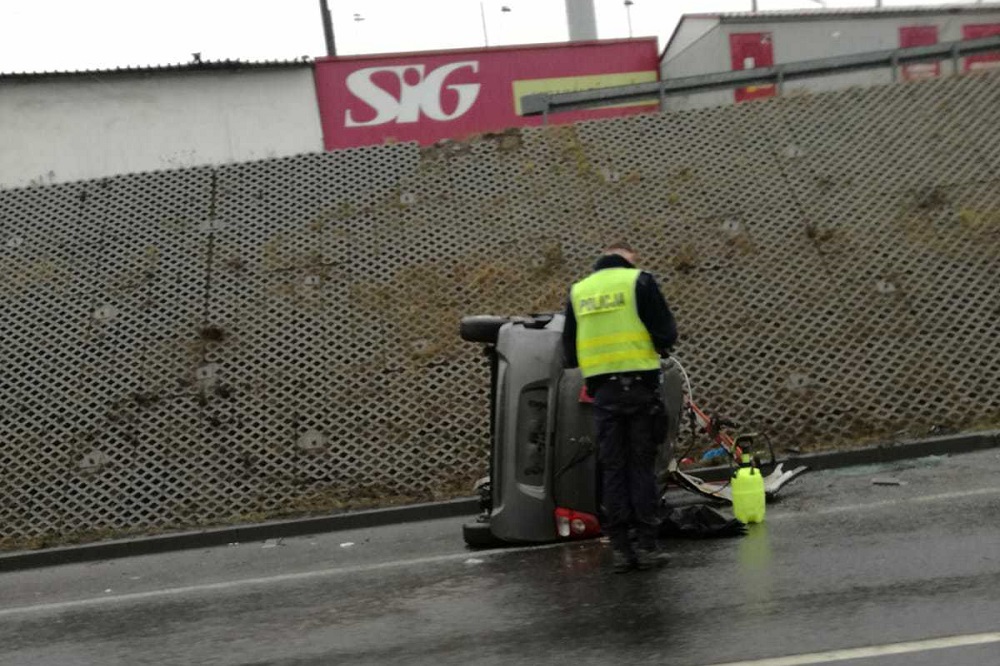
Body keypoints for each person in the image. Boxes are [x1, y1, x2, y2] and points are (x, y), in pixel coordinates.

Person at [562, 242, 678, 572]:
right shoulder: (639, 281)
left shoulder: (578, 291)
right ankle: (648, 546)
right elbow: (666, 332)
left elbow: (569, 352)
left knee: (613, 467)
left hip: (603, 394)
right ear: (627, 260)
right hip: (640, 388)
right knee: (640, 466)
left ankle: (620, 548)